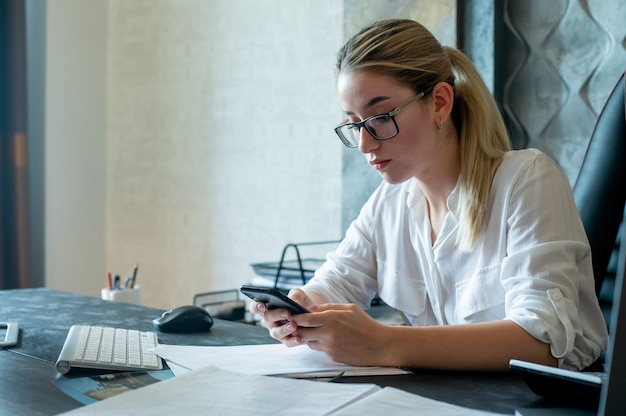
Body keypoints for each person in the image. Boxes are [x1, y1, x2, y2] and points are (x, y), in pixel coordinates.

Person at [249, 19, 608, 371]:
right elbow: (336, 282)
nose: (364, 143)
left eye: (381, 117)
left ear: (439, 102)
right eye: (355, 124)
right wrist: (297, 311)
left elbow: (542, 343)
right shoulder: (389, 204)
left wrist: (382, 343)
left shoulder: (527, 180)